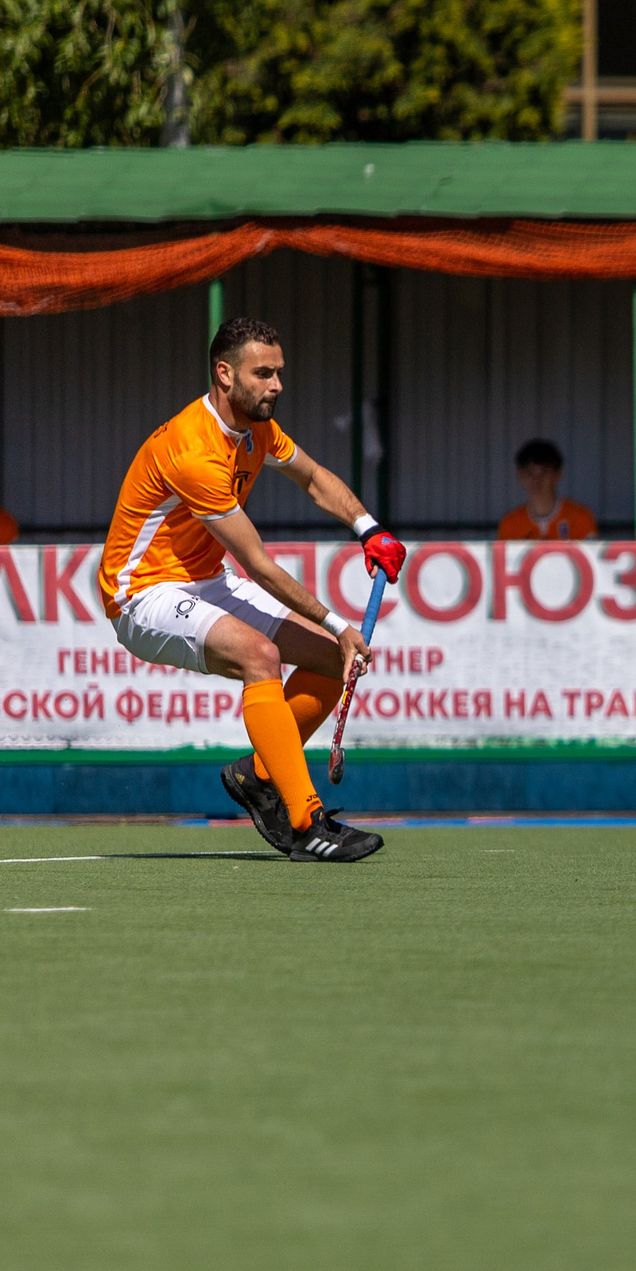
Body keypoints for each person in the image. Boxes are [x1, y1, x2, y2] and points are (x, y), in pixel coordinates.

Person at [97, 317, 406, 862]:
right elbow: (259, 564)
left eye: (279, 372)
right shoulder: (194, 450)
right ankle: (306, 821)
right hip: (141, 593)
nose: (277, 385)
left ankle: (258, 775)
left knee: (337, 662)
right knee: (260, 655)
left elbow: (313, 479)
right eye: (263, 373)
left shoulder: (257, 429)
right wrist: (339, 622)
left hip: (205, 578)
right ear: (224, 374)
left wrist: (369, 529)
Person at [497, 439, 597, 541]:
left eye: (544, 472)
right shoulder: (510, 524)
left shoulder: (580, 518)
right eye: (529, 473)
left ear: (558, 475)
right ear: (520, 476)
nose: (536, 480)